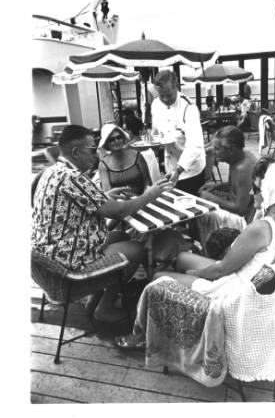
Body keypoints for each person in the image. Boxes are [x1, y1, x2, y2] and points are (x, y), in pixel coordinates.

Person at [115, 156, 275, 348]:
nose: (250, 192)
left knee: (157, 276)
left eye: (256, 189)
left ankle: (142, 336)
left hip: (234, 292)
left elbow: (221, 270)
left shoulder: (261, 228)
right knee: (182, 257)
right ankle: (175, 318)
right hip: (249, 279)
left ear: (272, 192)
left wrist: (196, 275)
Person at [32, 125, 171, 323]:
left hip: (54, 250)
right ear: (75, 152)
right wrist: (150, 194)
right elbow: (121, 211)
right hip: (68, 260)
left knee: (122, 236)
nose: (96, 154)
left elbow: (74, 201)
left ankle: (96, 299)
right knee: (137, 248)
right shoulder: (73, 177)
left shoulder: (54, 171)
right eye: (91, 149)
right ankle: (104, 307)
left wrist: (104, 196)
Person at [151, 70, 206, 196]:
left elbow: (195, 145)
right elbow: (156, 132)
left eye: (169, 95)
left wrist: (179, 169)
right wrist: (153, 142)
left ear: (177, 87)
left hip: (190, 169)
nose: (165, 99)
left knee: (192, 205)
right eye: (161, 95)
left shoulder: (189, 108)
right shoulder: (155, 104)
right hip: (170, 165)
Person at [198, 126, 257, 242]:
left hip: (245, 221)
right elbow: (235, 186)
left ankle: (207, 251)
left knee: (202, 215)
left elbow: (241, 209)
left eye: (217, 149)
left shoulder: (243, 168)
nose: (213, 152)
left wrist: (212, 199)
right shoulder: (239, 157)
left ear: (230, 150)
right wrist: (216, 186)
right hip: (241, 211)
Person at [98, 123, 152, 196]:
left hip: (141, 198)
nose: (116, 141)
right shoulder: (103, 165)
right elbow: (107, 192)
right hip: (119, 203)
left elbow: (147, 182)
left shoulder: (136, 155)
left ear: (123, 138)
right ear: (106, 143)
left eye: (119, 137)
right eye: (112, 139)